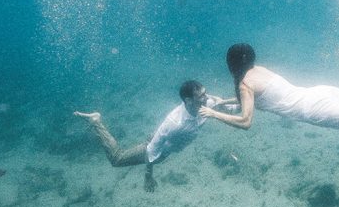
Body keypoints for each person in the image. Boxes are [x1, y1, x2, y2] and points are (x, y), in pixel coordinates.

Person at [199, 40, 339, 132]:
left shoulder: (245, 84)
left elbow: (246, 121)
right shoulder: (257, 71)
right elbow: (253, 99)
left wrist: (212, 113)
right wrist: (223, 101)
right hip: (316, 93)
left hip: (312, 109)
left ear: (232, 64)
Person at [75, 80, 230, 192]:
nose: (206, 97)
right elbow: (151, 151)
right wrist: (148, 176)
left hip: (166, 144)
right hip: (158, 148)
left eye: (205, 93)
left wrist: (251, 101)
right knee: (117, 159)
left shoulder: (206, 104)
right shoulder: (175, 123)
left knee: (157, 142)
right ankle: (96, 121)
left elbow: (226, 107)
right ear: (188, 100)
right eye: (201, 96)